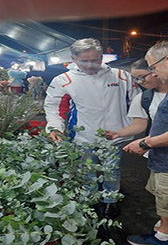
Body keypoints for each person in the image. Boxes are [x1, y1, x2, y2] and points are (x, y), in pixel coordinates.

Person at [44, 38, 140, 219]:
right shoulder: (64, 81)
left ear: (101, 57)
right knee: (86, 172)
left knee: (112, 170)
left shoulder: (120, 76)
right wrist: (55, 128)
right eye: (84, 61)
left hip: (115, 135)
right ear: (73, 59)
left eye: (94, 60)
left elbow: (137, 103)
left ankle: (110, 201)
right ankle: (90, 201)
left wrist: (132, 128)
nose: (90, 65)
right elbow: (55, 108)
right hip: (83, 137)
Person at [124, 41, 168, 245]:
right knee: (163, 205)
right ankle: (162, 238)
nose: (153, 73)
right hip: (161, 162)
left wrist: (146, 142)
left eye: (154, 67)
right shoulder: (149, 95)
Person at [105, 58, 168, 141]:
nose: (139, 82)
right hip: (157, 148)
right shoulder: (143, 98)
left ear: (155, 71)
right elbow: (139, 124)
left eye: (142, 77)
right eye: (135, 79)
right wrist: (118, 133)